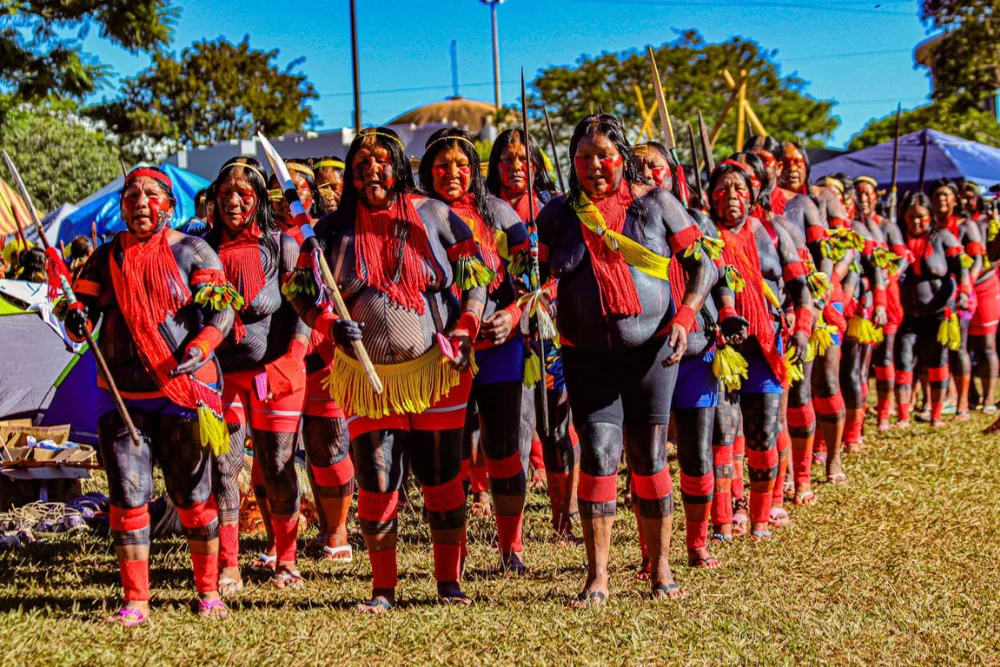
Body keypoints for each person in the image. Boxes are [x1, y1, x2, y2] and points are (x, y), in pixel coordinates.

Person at [287, 127, 491, 613]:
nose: (371, 170)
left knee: (441, 476)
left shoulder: (435, 215)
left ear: (398, 166)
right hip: (367, 375)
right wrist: (329, 325)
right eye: (361, 163)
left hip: (435, 370)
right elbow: (297, 290)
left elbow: (477, 275)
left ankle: (448, 584)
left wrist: (466, 327)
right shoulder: (332, 231)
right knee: (378, 479)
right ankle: (383, 590)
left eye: (381, 161)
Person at [536, 114, 716, 604]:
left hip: (653, 350)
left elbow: (705, 264)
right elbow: (541, 278)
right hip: (584, 354)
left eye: (603, 155)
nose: (593, 165)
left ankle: (660, 570)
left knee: (649, 457)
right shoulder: (555, 215)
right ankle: (597, 576)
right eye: (583, 157)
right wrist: (539, 304)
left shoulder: (657, 204)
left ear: (622, 158)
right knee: (597, 455)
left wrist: (685, 317)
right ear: (571, 162)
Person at [66, 166, 236, 625]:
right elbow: (80, 312)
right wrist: (75, 318)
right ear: (122, 206)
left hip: (182, 393)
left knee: (193, 493)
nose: (140, 202)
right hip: (122, 396)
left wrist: (200, 347)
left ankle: (207, 591)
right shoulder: (104, 257)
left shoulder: (194, 250)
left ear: (169, 204)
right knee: (127, 493)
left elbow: (221, 314)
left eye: (151, 195)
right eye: (132, 196)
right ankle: (136, 600)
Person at [420, 128, 533, 573]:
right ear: (428, 172)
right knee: (450, 455)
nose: (453, 173)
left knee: (503, 449)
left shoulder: (502, 214)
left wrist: (515, 314)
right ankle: (456, 551)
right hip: (441, 351)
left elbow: (532, 282)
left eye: (462, 164)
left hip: (499, 345)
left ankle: (512, 548)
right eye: (442, 166)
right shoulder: (420, 216)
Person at [203, 156, 313, 592]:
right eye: (225, 193)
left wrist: (295, 356)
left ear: (258, 200)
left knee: (277, 465)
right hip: (222, 378)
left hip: (276, 376)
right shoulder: (201, 248)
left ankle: (285, 559)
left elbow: (305, 309)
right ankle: (229, 563)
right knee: (223, 467)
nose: (232, 201)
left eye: (243, 193)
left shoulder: (282, 245)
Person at [709, 158, 813, 541]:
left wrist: (802, 329)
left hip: (767, 346)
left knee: (762, 434)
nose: (731, 196)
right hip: (722, 349)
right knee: (723, 432)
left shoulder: (772, 233)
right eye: (722, 189)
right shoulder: (704, 233)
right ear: (710, 196)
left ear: (752, 196)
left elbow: (801, 288)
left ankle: (762, 517)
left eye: (739, 189)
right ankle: (724, 517)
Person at [486, 128, 580, 539]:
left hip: (552, 328)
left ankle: (566, 515)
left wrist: (545, 295)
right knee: (516, 429)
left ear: (538, 164)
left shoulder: (554, 208)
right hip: (504, 332)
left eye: (525, 159)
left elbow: (570, 265)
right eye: (507, 160)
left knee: (559, 424)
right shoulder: (483, 209)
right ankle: (515, 532)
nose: (516, 167)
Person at [896, 191, 971, 427]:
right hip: (907, 314)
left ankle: (937, 415)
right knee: (904, 358)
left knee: (937, 361)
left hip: (938, 313)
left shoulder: (944, 237)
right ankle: (903, 416)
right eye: (910, 217)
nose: (916, 222)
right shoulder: (897, 238)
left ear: (930, 216)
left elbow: (962, 266)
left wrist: (965, 292)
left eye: (921, 217)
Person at [855, 177, 909, 430]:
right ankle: (860, 412)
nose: (863, 199)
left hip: (886, 296)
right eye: (859, 194)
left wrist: (888, 277)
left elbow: (903, 258)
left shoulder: (887, 226)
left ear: (876, 197)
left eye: (868, 194)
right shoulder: (850, 224)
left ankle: (886, 414)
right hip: (861, 298)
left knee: (884, 357)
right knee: (860, 360)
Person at [931, 179, 984, 421]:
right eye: (937, 196)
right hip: (936, 297)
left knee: (958, 345)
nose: (941, 199)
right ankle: (946, 399)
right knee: (938, 348)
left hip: (962, 294)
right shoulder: (928, 228)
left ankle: (963, 402)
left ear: (954, 199)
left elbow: (978, 260)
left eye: (945, 195)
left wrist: (965, 287)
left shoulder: (966, 226)